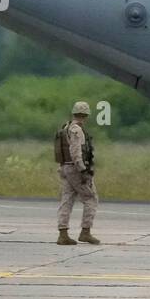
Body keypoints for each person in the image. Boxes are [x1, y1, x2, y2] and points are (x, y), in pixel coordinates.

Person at [55, 101, 100, 245]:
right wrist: (83, 170)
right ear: (86, 115)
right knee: (91, 198)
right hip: (75, 169)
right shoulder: (77, 130)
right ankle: (85, 232)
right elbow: (76, 152)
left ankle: (63, 233)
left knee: (67, 199)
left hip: (65, 168)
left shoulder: (65, 127)